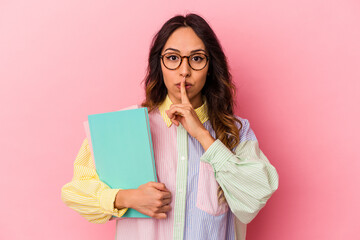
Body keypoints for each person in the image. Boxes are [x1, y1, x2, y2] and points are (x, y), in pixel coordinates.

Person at [61, 13, 279, 240]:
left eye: (196, 59)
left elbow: (256, 195)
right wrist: (126, 198)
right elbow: (75, 192)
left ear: (211, 66)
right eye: (173, 58)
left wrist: (204, 136)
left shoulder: (236, 132)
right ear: (159, 64)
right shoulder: (124, 126)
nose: (184, 71)